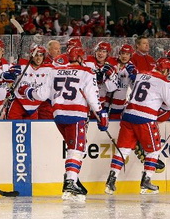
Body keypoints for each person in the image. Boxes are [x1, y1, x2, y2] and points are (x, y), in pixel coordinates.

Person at [18, 46, 108, 202]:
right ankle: (70, 182)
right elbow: (93, 98)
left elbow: (42, 94)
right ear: (80, 58)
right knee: (77, 149)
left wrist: (26, 91)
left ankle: (73, 177)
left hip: (58, 115)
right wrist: (101, 115)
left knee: (77, 146)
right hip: (76, 114)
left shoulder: (54, 70)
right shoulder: (87, 72)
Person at [103, 57, 170, 195]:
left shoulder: (141, 75)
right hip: (145, 118)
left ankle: (111, 180)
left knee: (123, 150)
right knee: (154, 151)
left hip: (128, 115)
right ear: (166, 69)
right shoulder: (165, 82)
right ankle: (146, 181)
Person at [6, 45, 53, 119]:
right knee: (10, 126)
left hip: (34, 106)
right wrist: (11, 72)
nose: (38, 58)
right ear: (32, 56)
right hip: (19, 102)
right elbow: (7, 76)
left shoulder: (48, 69)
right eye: (36, 55)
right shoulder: (22, 66)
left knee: (33, 128)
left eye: (41, 55)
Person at [84, 41, 118, 107]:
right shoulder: (87, 61)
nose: (100, 53)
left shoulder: (111, 66)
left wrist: (107, 78)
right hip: (85, 101)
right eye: (99, 51)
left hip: (101, 102)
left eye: (104, 51)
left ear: (107, 54)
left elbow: (112, 88)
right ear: (95, 52)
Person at [107, 44, 137, 119]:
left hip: (119, 101)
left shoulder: (132, 68)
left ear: (130, 56)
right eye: (123, 53)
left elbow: (134, 88)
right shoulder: (110, 62)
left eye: (127, 54)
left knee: (114, 121)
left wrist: (134, 78)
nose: (124, 56)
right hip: (105, 98)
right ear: (119, 54)